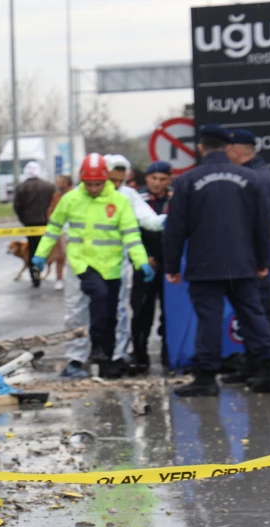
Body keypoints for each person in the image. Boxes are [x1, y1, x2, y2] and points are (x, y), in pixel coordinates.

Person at [162, 125, 270, 397]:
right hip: (242, 263)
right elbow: (263, 224)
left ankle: (206, 378)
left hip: (205, 265)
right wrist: (263, 260)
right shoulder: (250, 178)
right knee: (253, 315)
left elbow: (175, 228)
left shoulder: (187, 181)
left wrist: (171, 266)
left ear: (201, 148)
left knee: (209, 320)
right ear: (227, 148)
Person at [33, 154, 153, 378]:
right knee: (78, 311)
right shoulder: (71, 199)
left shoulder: (119, 201)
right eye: (89, 184)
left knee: (112, 314)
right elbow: (53, 229)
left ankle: (110, 358)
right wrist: (41, 254)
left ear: (105, 179)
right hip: (82, 264)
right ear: (82, 180)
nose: (94, 188)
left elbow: (131, 235)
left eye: (98, 184)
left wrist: (141, 261)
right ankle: (77, 358)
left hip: (111, 266)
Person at [221, 128, 270, 386]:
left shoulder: (258, 178)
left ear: (237, 151)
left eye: (228, 150)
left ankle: (268, 368)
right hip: (251, 257)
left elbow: (263, 224)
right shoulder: (256, 174)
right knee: (251, 313)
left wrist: (261, 261)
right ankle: (253, 363)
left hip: (256, 259)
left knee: (262, 313)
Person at [106, 154, 166, 378]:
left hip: (147, 263)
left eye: (120, 179)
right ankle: (131, 354)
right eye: (154, 178)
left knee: (124, 311)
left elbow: (146, 223)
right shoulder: (87, 195)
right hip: (124, 262)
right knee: (136, 312)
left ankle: (122, 356)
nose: (116, 184)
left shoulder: (129, 196)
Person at [131, 161, 173, 374]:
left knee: (170, 311)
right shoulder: (137, 199)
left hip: (170, 263)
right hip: (144, 263)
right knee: (142, 311)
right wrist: (144, 256)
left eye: (162, 179)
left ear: (169, 180)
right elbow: (131, 230)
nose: (157, 183)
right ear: (146, 179)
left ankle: (169, 352)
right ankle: (139, 355)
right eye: (153, 178)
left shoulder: (175, 199)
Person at [13, 161, 55, 287]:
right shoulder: (49, 187)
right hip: (45, 222)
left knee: (32, 248)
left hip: (29, 223)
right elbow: (54, 204)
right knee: (44, 246)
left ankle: (34, 273)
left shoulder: (21, 188)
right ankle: (41, 267)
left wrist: (23, 219)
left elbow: (17, 206)